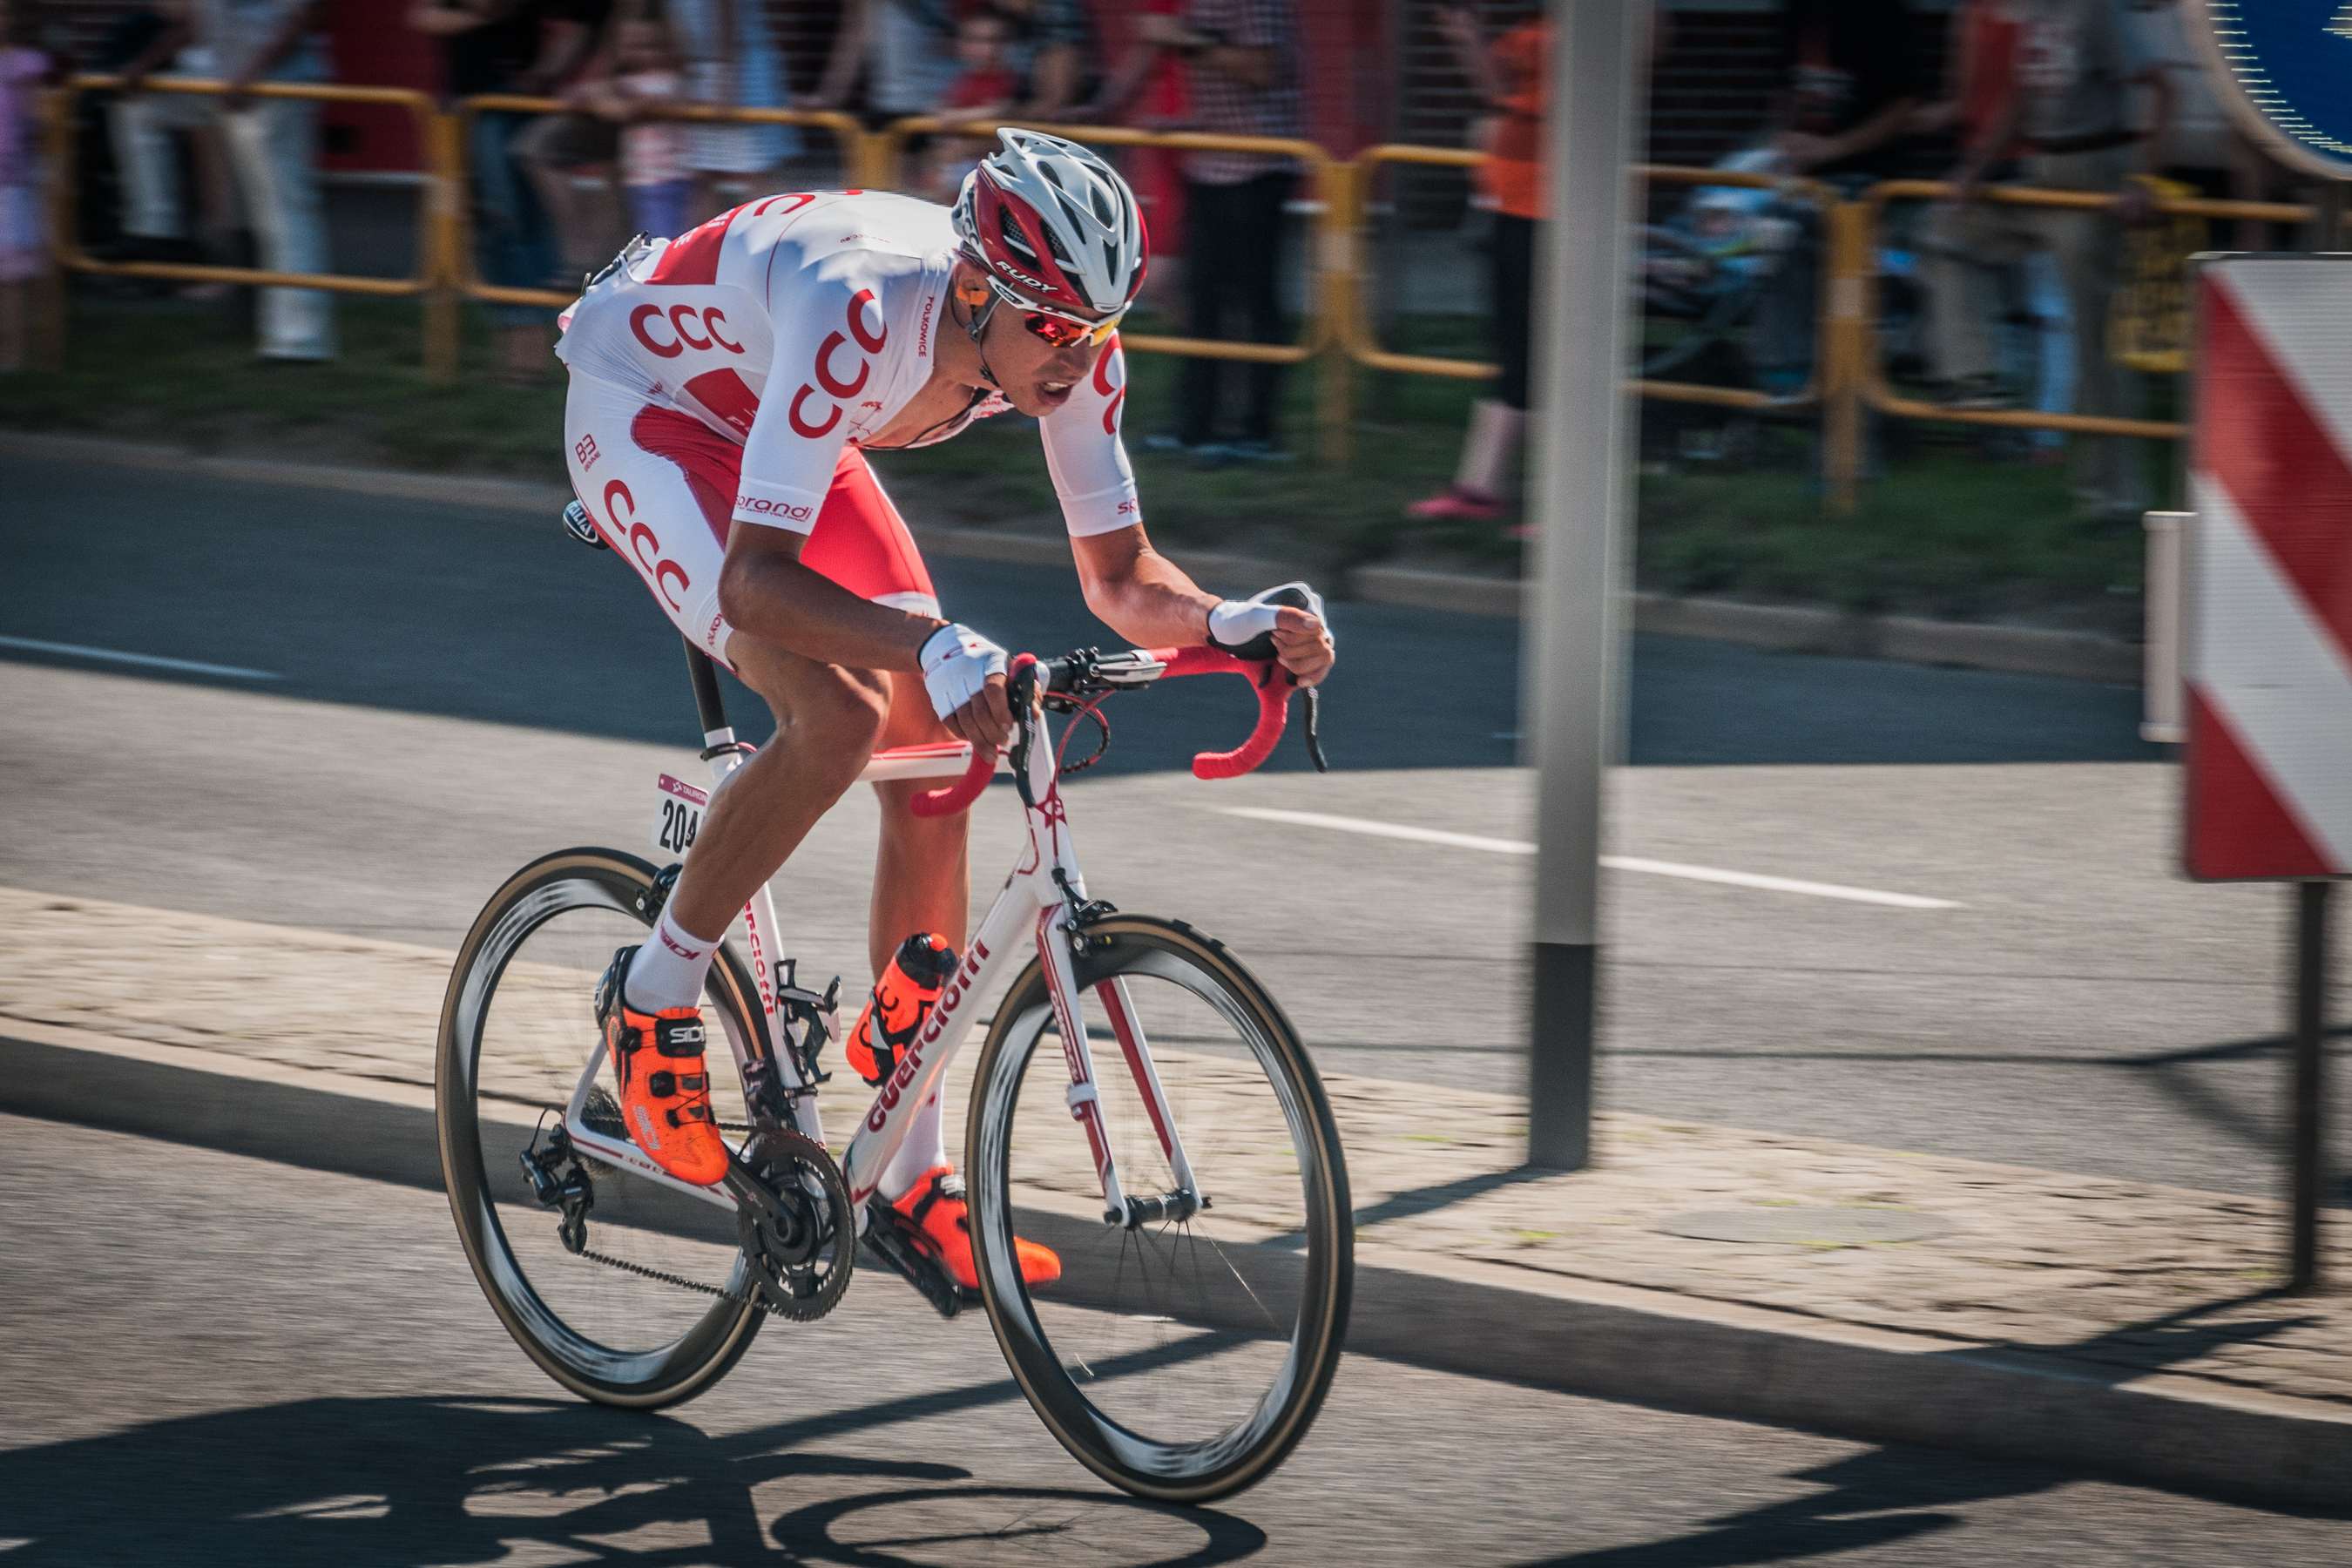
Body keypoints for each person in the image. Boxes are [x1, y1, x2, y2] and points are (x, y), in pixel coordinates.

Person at [553, 130, 1335, 1292]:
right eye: (1056, 332)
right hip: (647, 411)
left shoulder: (1063, 344)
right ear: (976, 289)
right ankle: (652, 997)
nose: (1077, 364)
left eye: (1101, 331)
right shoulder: (861, 309)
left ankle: (910, 1175)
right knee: (841, 716)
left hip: (776, 416)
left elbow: (1122, 579)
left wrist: (1231, 621)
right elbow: (753, 584)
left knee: (944, 738)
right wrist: (935, 640)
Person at [1922, 0, 2162, 520]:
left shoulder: (2099, 11)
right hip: (2044, 173)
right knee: (1947, 228)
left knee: (2095, 344)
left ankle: (2114, 496)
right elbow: (2018, 99)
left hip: (2094, 177)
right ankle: (1974, 377)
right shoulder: (2037, 12)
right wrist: (1974, 171)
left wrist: (2143, 178)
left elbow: (2158, 88)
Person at [120, 0, 339, 363]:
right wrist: (144, 67)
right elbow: (197, 20)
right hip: (227, 79)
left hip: (278, 85)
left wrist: (252, 75)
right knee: (138, 105)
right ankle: (154, 229)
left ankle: (300, 341)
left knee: (282, 209)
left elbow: (305, 16)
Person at [1142, 0, 1303, 463]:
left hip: (1255, 167)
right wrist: (1185, 126)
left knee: (1253, 303)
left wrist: (1187, 40)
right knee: (1203, 302)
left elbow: (1264, 72)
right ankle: (1195, 426)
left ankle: (1256, 433)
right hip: (1208, 161)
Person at [1406, 4, 1546, 525]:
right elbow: (1498, 93)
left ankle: (1553, 500)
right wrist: (1466, 37)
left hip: (1554, 209)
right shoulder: (1531, 32)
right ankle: (1481, 487)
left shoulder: (1585, 36)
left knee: (1545, 353)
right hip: (1513, 205)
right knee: (1514, 347)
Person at [1752, 0, 1922, 395]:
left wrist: (1835, 148)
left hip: (1867, 181)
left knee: (1845, 284)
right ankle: (1786, 374)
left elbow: (1903, 106)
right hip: (1804, 181)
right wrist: (1782, 142)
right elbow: (1784, 91)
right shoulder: (1794, 16)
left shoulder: (1884, 18)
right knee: (1775, 235)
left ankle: (1846, 390)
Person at [665, 0, 795, 223]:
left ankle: (773, 246)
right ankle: (700, 252)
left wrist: (724, 79)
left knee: (754, 174)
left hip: (740, 72)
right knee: (703, 174)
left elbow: (727, 16)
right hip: (702, 70)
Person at [579, 12, 692, 239]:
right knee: (644, 243)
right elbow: (588, 95)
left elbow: (633, 108)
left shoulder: (667, 81)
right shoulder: (624, 83)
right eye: (633, 46)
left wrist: (616, 104)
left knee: (662, 246)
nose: (641, 53)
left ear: (665, 48)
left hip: (667, 180)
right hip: (638, 180)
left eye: (649, 46)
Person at [0, 0, 48, 373]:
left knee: (11, 273)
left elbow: (39, 121)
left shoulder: (23, 66)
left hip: (11, 181)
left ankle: (15, 353)